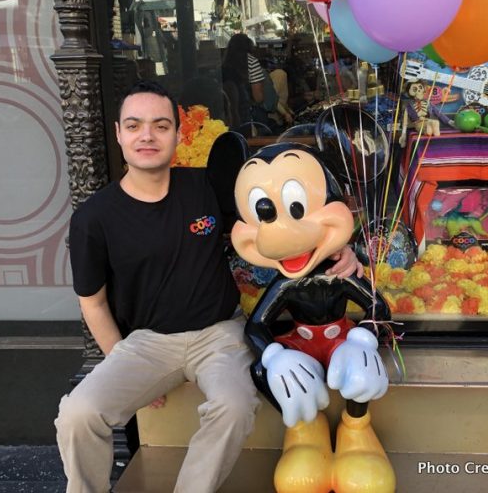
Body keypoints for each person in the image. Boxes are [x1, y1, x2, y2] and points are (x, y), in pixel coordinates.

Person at [55, 80, 362, 493]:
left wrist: (339, 252)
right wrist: (122, 363)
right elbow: (92, 303)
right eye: (134, 125)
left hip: (220, 333)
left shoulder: (207, 187)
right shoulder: (94, 218)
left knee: (234, 407)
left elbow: (277, 227)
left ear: (178, 135)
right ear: (118, 134)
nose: (147, 135)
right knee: (77, 413)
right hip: (147, 343)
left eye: (160, 125)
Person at [221, 33, 276, 127]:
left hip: (228, 116)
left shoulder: (224, 64)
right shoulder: (252, 62)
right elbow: (258, 97)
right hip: (247, 114)